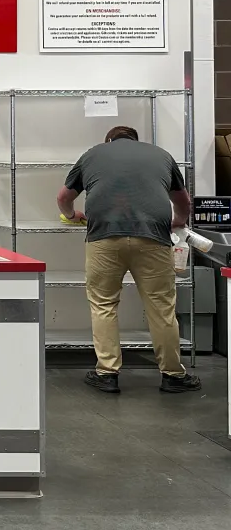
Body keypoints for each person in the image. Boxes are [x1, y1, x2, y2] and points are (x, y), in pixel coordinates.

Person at [57, 125, 201, 394]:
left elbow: (63, 197)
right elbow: (183, 201)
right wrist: (178, 222)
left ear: (109, 141)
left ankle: (107, 373)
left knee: (103, 304)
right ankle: (173, 375)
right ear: (135, 140)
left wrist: (72, 215)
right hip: (153, 237)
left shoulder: (92, 154)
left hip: (104, 237)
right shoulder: (161, 155)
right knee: (161, 307)